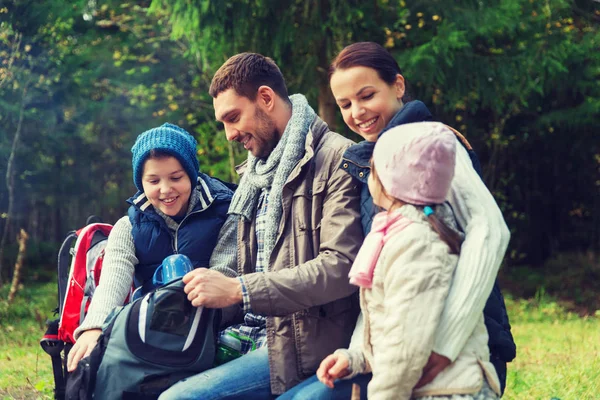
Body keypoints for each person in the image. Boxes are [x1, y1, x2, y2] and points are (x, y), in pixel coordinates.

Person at [278, 42, 515, 399]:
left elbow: (490, 232)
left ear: (398, 86)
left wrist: (445, 345)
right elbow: (380, 285)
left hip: (460, 359)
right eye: (345, 104)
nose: (357, 112)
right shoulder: (372, 163)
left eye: (366, 95)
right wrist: (357, 352)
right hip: (402, 356)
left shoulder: (432, 146)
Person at [157, 53, 364, 400]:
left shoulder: (339, 160)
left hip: (306, 346)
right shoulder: (255, 178)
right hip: (251, 336)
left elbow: (340, 268)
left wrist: (241, 290)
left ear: (266, 98)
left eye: (233, 118)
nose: (229, 134)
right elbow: (235, 267)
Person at [318, 122, 502, 399]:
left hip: (449, 391)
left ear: (391, 182)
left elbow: (405, 345)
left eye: (373, 170)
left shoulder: (416, 244)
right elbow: (387, 318)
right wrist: (355, 357)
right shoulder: (396, 234)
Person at [66, 123, 235, 372]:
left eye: (176, 178)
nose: (166, 190)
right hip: (153, 330)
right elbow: (113, 279)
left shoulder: (226, 212)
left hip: (213, 328)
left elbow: (226, 276)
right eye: (153, 180)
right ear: (140, 183)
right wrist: (94, 326)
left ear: (192, 174)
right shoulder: (128, 227)